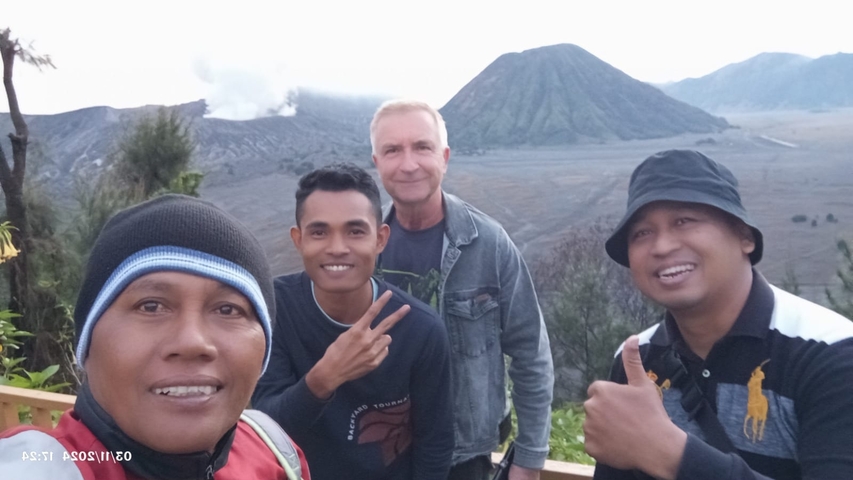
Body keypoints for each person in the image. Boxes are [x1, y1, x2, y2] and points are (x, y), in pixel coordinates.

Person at [584, 149, 853, 480]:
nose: (662, 246)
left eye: (684, 221)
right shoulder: (637, 359)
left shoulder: (831, 356)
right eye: (641, 233)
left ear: (745, 237)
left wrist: (673, 455)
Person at [0, 194, 310, 480]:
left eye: (228, 310)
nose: (192, 342)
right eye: (151, 306)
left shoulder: (275, 453)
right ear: (87, 344)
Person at [370, 100, 554, 480]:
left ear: (445, 157)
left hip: (464, 459)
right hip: (378, 455)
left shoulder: (488, 243)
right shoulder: (363, 246)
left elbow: (531, 355)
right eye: (392, 150)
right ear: (376, 162)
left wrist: (530, 460)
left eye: (422, 147)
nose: (408, 164)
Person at [251, 163, 453, 480]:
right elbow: (261, 432)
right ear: (298, 239)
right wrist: (325, 377)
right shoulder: (273, 310)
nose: (337, 248)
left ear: (380, 238)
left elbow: (435, 445)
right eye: (319, 232)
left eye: (355, 231)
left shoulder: (421, 330)